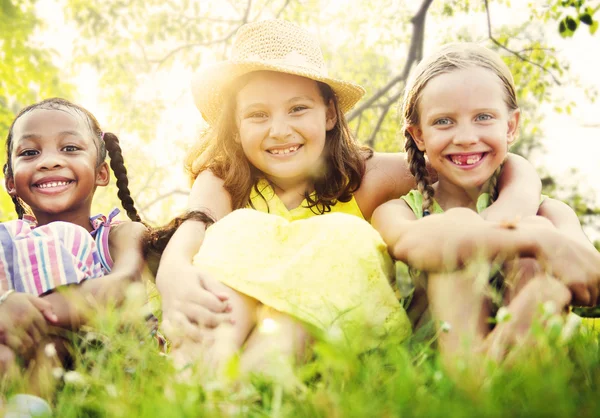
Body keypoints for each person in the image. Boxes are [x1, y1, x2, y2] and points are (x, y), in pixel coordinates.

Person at [154, 20, 543, 382]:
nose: (279, 130)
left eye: (297, 108)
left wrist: (504, 213)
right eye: (257, 114)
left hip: (325, 337)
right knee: (236, 232)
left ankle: (251, 382)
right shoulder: (225, 179)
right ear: (235, 129)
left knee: (344, 235)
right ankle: (203, 383)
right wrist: (172, 273)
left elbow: (475, 159)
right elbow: (196, 224)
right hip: (230, 325)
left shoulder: (366, 177)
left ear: (328, 114)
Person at [370, 43, 600, 374]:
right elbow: (416, 243)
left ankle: (505, 376)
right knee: (457, 233)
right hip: (438, 361)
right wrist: (538, 242)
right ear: (418, 135)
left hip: (532, 358)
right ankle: (475, 378)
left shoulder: (548, 212)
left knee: (538, 242)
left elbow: (588, 277)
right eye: (444, 121)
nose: (465, 137)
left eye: (483, 117)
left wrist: (544, 245)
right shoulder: (399, 211)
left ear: (510, 126)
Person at [0, 97, 147, 408]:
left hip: (101, 359)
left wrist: (27, 314)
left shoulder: (116, 235)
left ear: (102, 173)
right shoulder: (7, 239)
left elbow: (122, 286)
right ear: (11, 182)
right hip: (16, 352)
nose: (49, 161)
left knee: (53, 343)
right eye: (29, 153)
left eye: (69, 148)